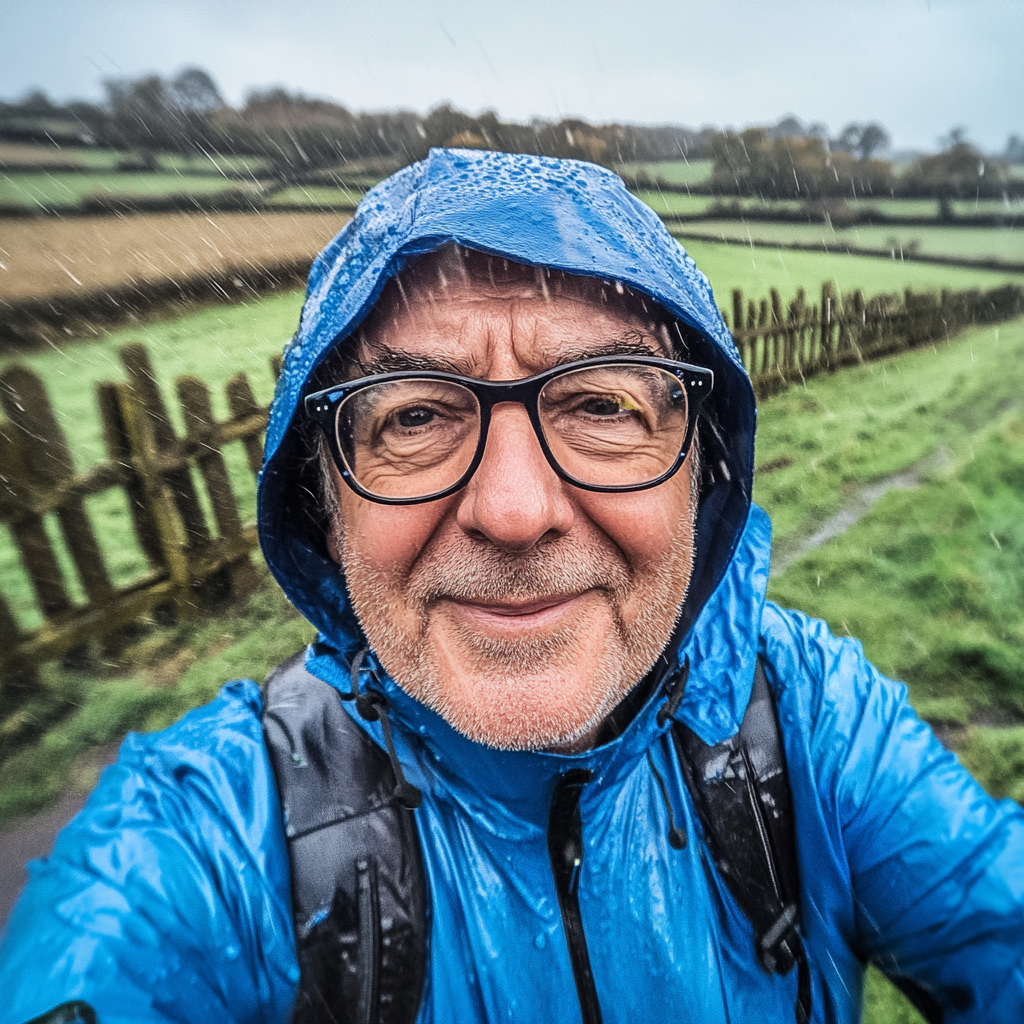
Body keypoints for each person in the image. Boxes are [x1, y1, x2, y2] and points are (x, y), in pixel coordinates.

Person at [1, 148, 1022, 1024]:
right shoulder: (202, 840)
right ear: (323, 501)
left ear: (702, 475)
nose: (514, 507)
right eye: (411, 416)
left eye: (602, 403)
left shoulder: (811, 720)